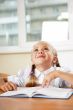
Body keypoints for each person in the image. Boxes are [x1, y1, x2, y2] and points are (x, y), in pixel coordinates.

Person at [0, 41, 73, 93]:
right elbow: (1, 79)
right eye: (36, 50)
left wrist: (56, 73)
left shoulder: (61, 72)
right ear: (32, 60)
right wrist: (3, 84)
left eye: (46, 49)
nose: (40, 51)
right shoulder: (25, 74)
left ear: (54, 59)